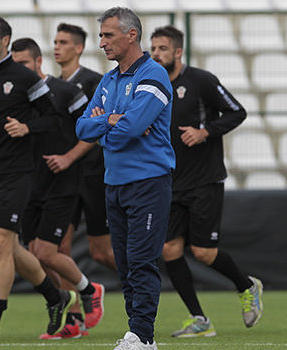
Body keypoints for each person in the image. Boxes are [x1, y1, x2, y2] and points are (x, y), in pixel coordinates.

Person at [0, 16, 76, 343]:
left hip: (17, 172)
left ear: (5, 40)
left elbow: (52, 118)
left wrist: (27, 128)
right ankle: (56, 298)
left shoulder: (24, 78)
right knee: (11, 247)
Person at [150, 25, 263, 338]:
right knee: (168, 249)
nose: (156, 54)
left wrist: (205, 132)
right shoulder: (150, 85)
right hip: (169, 182)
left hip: (204, 180)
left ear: (177, 52)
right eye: (153, 48)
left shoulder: (201, 80)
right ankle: (199, 319)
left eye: (162, 48)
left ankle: (246, 286)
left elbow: (237, 112)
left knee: (203, 252)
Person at [76, 7, 174, 350]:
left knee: (142, 261)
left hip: (148, 182)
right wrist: (112, 123)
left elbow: (129, 127)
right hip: (114, 183)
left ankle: (142, 335)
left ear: (132, 35)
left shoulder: (154, 75)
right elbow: (82, 127)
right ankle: (138, 335)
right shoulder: (109, 79)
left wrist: (111, 124)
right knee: (127, 264)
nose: (101, 42)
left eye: (107, 35)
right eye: (101, 35)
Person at [10, 37, 105, 340]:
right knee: (37, 255)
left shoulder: (66, 92)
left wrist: (68, 158)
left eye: (24, 63)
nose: (20, 70)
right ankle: (73, 315)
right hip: (30, 184)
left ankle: (89, 291)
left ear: (38, 62)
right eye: (15, 65)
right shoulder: (15, 97)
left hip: (63, 184)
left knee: (50, 251)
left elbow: (92, 130)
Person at [53, 23, 115, 272]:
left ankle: (141, 288)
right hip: (65, 179)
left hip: (93, 175)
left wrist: (69, 157)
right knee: (58, 249)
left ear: (79, 48)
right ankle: (77, 308)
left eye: (63, 42)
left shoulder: (94, 83)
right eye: (55, 42)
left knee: (101, 253)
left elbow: (101, 127)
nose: (56, 47)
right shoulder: (53, 87)